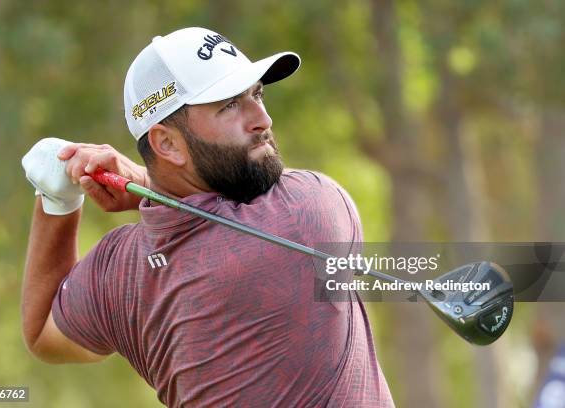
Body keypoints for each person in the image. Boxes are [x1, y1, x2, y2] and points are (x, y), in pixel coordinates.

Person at [21, 27, 395, 407]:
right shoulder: (310, 212)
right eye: (229, 105)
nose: (262, 118)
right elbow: (217, 221)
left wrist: (57, 198)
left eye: (256, 94)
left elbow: (41, 334)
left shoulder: (118, 273)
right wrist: (143, 182)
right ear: (166, 143)